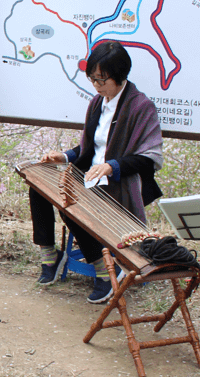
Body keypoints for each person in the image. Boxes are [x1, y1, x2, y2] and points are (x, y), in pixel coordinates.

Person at [29, 40, 163, 304]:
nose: (97, 86)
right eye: (92, 79)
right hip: (91, 176)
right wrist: (65, 156)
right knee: (39, 187)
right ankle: (50, 255)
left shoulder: (140, 106)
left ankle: (104, 271)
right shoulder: (97, 103)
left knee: (71, 204)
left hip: (120, 182)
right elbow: (89, 149)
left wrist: (112, 166)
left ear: (120, 76)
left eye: (102, 80)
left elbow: (150, 158)